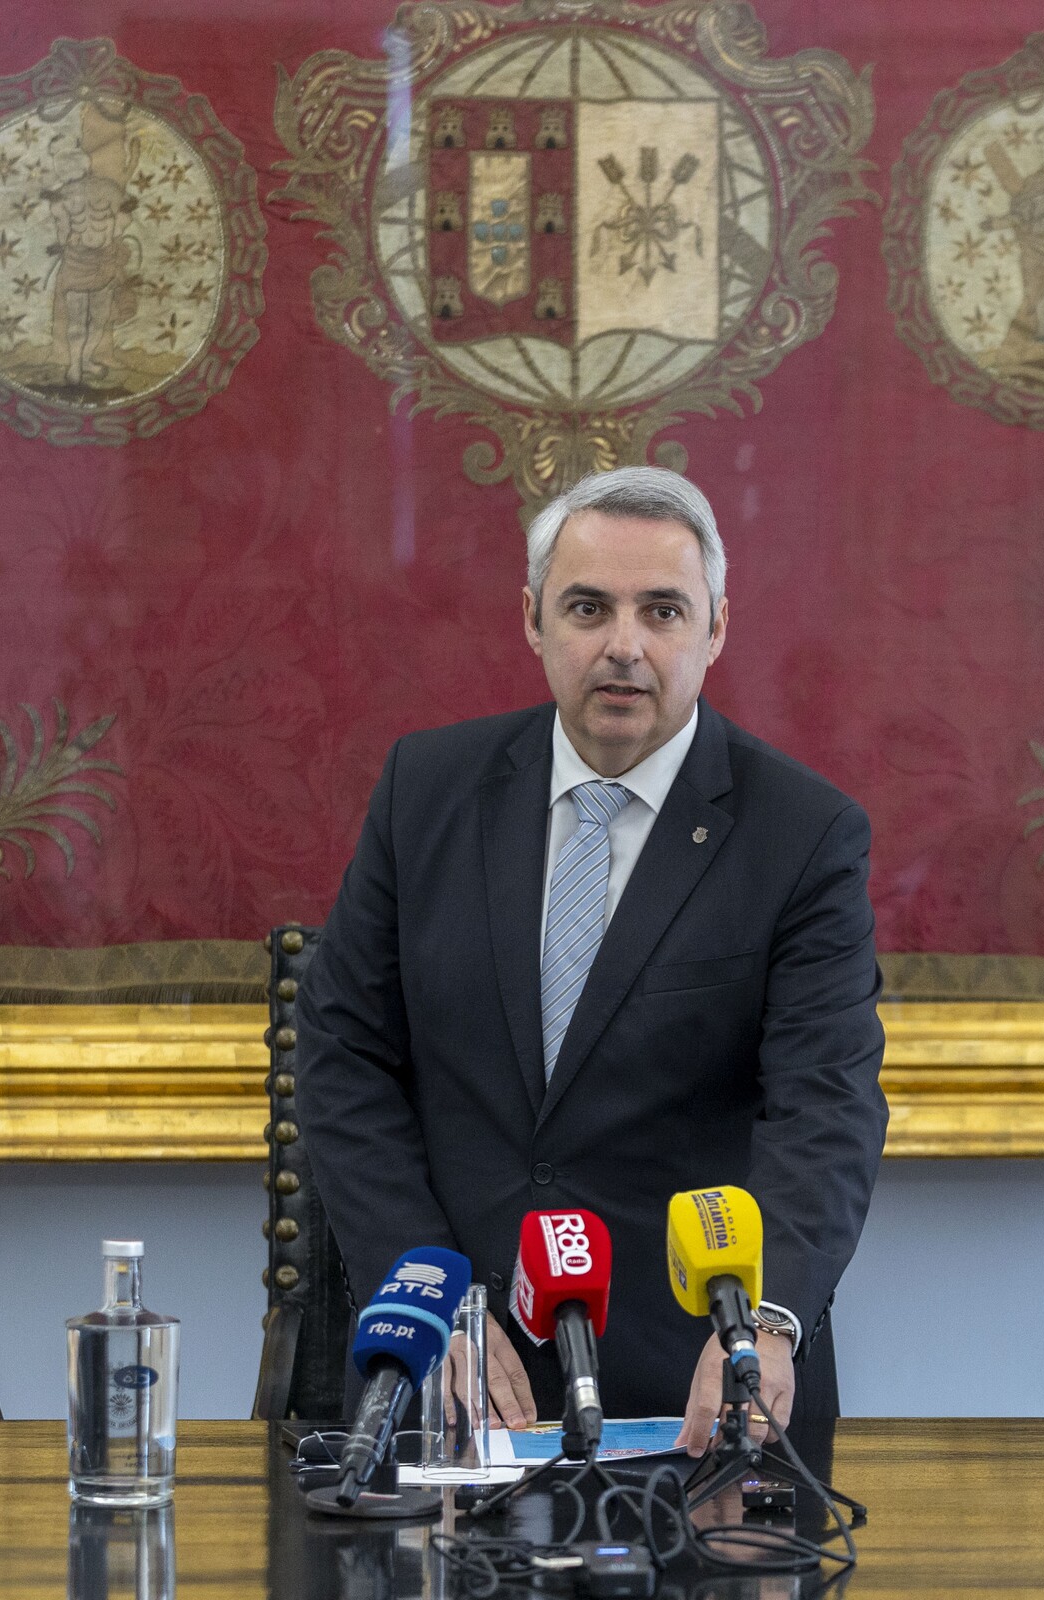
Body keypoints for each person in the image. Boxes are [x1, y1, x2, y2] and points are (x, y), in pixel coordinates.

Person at [296, 466, 887, 1457]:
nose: (624, 644)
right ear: (532, 620)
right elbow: (342, 1052)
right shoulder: (425, 790)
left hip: (696, 1396)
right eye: (587, 607)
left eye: (663, 610)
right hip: (448, 1381)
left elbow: (826, 1107)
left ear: (716, 629)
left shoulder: (803, 835)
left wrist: (764, 1325)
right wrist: (426, 1290)